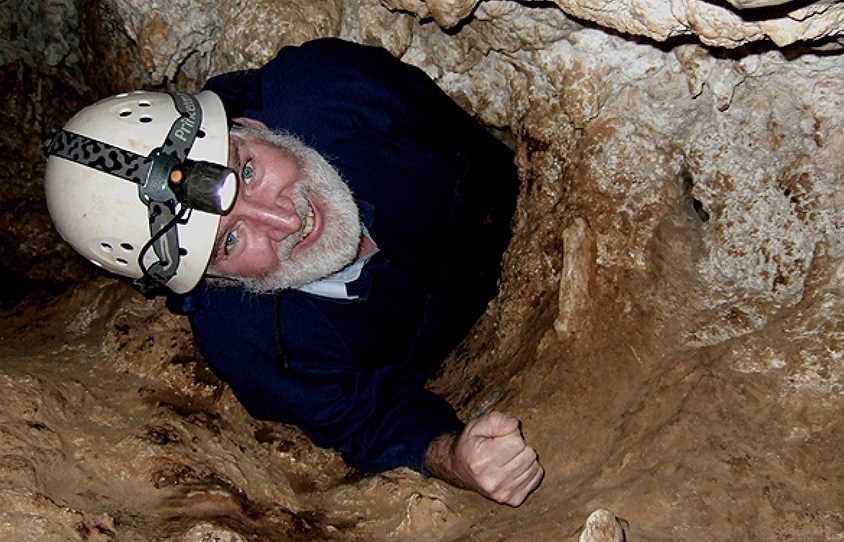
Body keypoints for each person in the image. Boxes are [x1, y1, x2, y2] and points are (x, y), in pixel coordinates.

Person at [44, 38, 543, 506]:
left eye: (248, 172)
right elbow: (362, 419)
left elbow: (454, 126)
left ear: (249, 126)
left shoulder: (335, 90)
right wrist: (452, 455)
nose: (284, 220)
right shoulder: (253, 345)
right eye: (230, 241)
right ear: (216, 281)